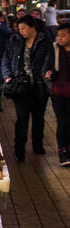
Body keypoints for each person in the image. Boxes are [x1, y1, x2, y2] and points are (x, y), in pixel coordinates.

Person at [1, 14, 52, 161]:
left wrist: (50, 74)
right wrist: (8, 76)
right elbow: (6, 59)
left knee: (38, 118)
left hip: (39, 86)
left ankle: (38, 145)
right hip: (20, 86)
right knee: (22, 118)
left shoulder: (44, 42)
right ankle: (19, 149)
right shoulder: (15, 41)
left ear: (32, 27)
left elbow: (50, 62)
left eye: (24, 28)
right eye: (19, 28)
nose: (21, 31)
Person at [46, 22, 70, 166]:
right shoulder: (55, 49)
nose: (59, 38)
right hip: (59, 93)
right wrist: (50, 73)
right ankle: (63, 154)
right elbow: (50, 68)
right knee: (63, 123)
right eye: (58, 35)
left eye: (63, 35)